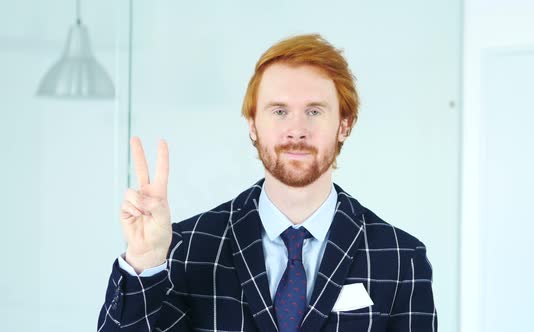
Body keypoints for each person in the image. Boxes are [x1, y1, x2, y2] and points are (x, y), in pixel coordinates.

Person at [97, 34, 437, 332]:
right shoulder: (185, 249)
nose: (297, 129)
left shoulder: (401, 258)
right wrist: (144, 261)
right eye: (279, 111)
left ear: (344, 125)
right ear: (253, 125)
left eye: (315, 111)